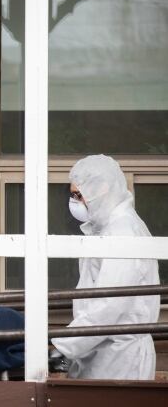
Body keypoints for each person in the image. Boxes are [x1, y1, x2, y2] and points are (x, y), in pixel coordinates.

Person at [51, 155, 160, 380]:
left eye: (78, 195)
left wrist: (64, 347)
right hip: (101, 350)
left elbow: (110, 302)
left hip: (120, 359)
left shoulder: (123, 231)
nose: (74, 202)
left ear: (101, 188)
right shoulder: (106, 229)